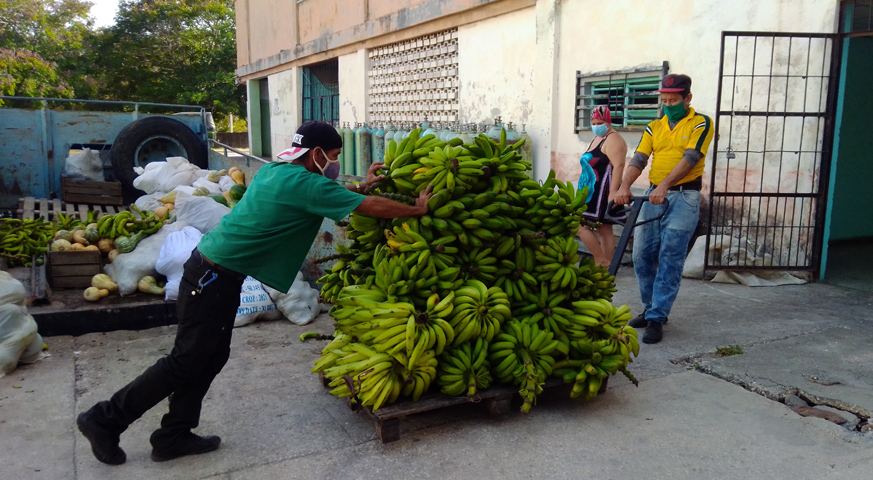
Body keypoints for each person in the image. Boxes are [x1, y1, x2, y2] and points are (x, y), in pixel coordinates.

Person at [76, 121, 433, 465]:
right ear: (317, 155)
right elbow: (364, 207)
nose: (336, 163)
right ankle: (105, 419)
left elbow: (333, 196)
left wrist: (363, 187)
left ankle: (173, 435)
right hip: (211, 278)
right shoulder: (305, 184)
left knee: (210, 357)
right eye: (334, 155)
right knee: (185, 360)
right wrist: (416, 209)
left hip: (214, 274)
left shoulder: (278, 173)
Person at [614, 74, 714, 344]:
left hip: (684, 197)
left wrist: (666, 185)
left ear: (687, 99)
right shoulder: (654, 126)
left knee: (670, 256)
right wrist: (625, 186)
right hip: (652, 195)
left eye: (673, 100)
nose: (668, 104)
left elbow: (691, 157)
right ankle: (649, 308)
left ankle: (657, 317)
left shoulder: (701, 123)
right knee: (642, 254)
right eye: (664, 100)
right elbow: (639, 158)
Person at [577, 105, 627, 267]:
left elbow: (618, 166)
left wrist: (614, 192)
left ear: (608, 121)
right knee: (604, 230)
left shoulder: (613, 139)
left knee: (580, 226)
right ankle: (607, 264)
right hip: (589, 190)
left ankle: (601, 260)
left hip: (602, 192)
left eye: (600, 122)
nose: (596, 126)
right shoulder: (598, 138)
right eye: (594, 122)